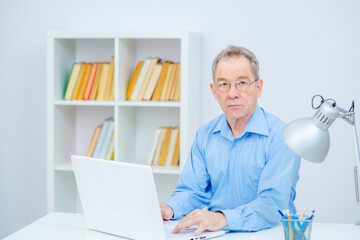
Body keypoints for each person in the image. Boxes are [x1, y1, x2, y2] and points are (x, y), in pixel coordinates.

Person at [160, 45, 301, 234]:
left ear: (258, 88)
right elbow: (193, 192)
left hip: (268, 234)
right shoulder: (205, 135)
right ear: (214, 90)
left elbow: (272, 205)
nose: (232, 93)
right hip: (217, 235)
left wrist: (222, 218)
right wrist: (169, 209)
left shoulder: (282, 137)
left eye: (241, 83)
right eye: (224, 84)